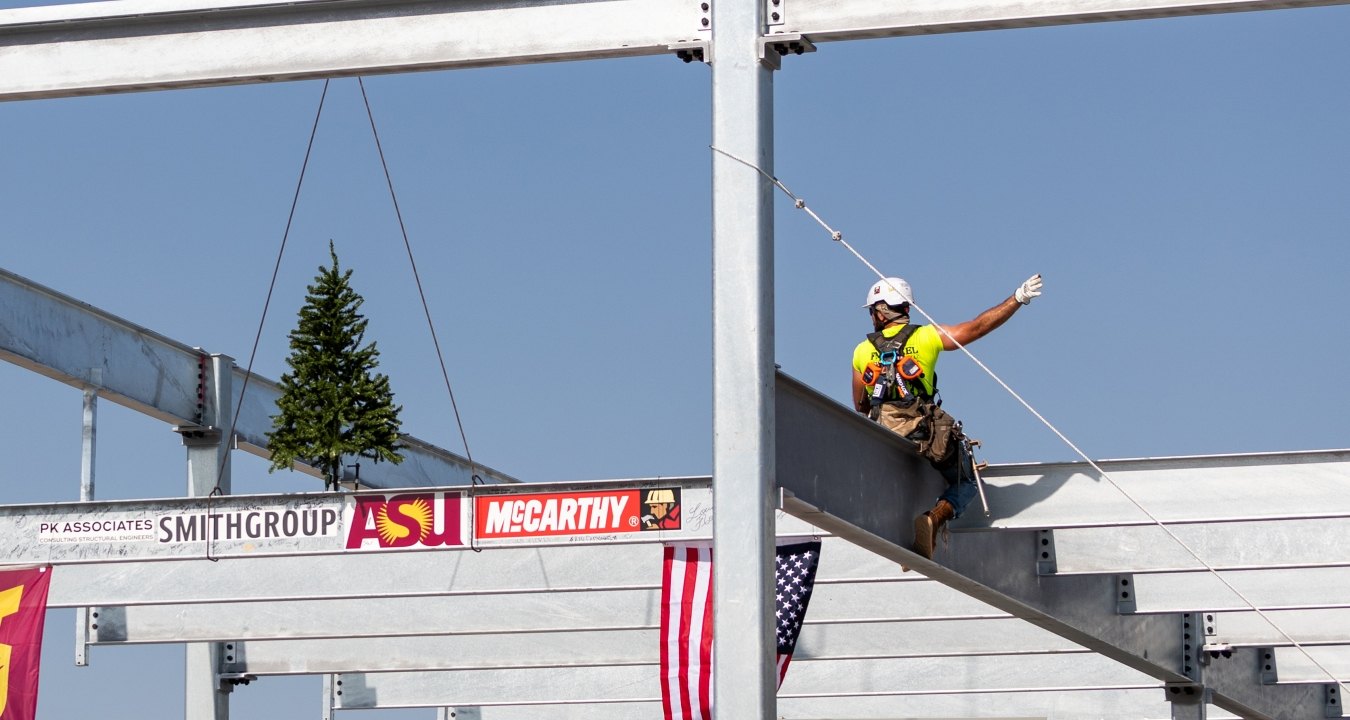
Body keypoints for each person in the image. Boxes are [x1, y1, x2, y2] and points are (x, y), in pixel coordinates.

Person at [851, 274, 1042, 560]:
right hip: (924, 434)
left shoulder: (862, 351)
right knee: (966, 482)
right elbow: (976, 328)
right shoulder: (926, 336)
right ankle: (935, 517)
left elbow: (860, 405)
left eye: (871, 312)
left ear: (880, 311)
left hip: (884, 437)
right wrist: (1017, 299)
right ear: (904, 308)